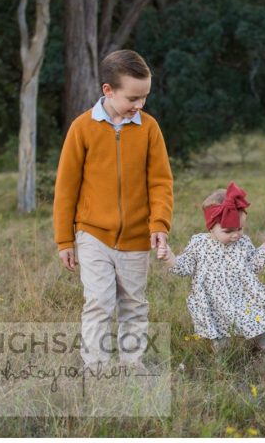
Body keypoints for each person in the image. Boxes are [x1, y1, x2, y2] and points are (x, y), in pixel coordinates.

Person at [53, 50, 173, 368]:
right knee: (99, 301)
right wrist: (65, 240)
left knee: (134, 303)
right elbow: (66, 189)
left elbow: (160, 182)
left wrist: (159, 224)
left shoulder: (149, 129)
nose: (139, 105)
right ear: (108, 90)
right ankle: (96, 367)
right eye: (133, 98)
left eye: (144, 97)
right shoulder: (82, 128)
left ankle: (131, 363)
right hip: (92, 233)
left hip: (136, 236)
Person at [159, 182, 265, 352]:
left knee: (261, 320)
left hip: (243, 295)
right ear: (211, 227)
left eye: (240, 229)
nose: (235, 235)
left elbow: (253, 265)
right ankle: (222, 361)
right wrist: (169, 258)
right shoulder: (199, 244)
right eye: (228, 231)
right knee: (220, 335)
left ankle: (263, 350)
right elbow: (184, 267)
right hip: (214, 300)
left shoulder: (243, 242)